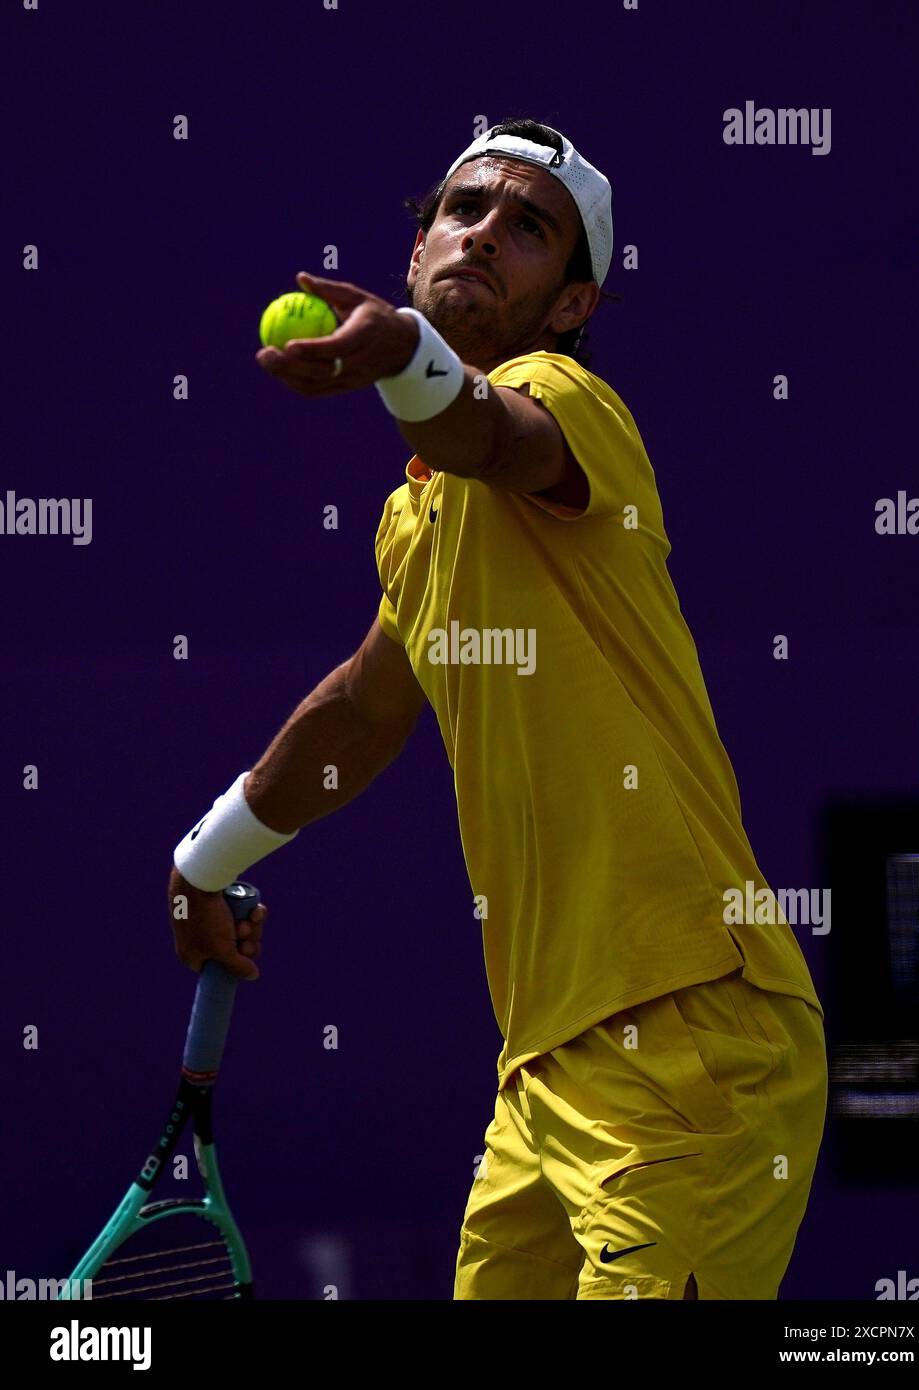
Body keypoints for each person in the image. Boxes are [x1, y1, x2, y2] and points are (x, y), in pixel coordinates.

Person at [168, 117, 828, 1300]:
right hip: (541, 1077)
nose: (483, 235)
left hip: (690, 1036)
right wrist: (205, 862)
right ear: (416, 241)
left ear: (569, 305)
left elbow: (486, 430)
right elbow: (361, 716)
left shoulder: (563, 400)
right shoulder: (417, 521)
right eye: (463, 211)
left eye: (528, 230)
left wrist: (403, 354)